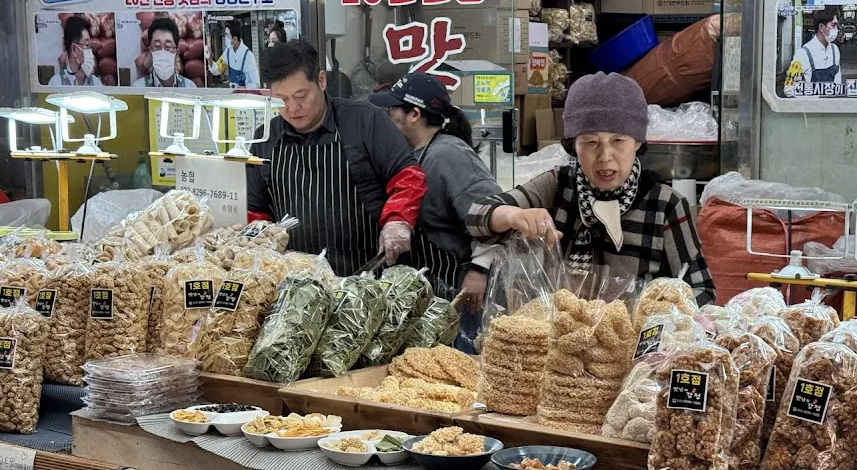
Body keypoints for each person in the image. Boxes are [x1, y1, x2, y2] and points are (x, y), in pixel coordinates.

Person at [466, 72, 715, 305]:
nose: (605, 156)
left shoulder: (664, 205)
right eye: (590, 142)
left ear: (638, 142)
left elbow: (701, 290)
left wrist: (655, 312)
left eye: (618, 140)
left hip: (633, 335)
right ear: (573, 145)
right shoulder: (558, 185)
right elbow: (477, 216)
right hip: (560, 330)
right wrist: (514, 216)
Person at [247, 40, 426, 276]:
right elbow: (256, 211)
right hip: (297, 280)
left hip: (368, 274)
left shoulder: (365, 121)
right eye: (281, 99)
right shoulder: (265, 138)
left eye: (301, 96)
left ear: (321, 80)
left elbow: (408, 177)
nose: (292, 108)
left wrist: (397, 221)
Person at [369, 72, 501, 304]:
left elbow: (494, 211)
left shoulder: (448, 154)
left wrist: (479, 270)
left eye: (393, 109)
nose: (388, 115)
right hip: (428, 283)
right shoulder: (408, 154)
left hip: (459, 283)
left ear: (414, 114)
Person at [132, 17, 196, 88]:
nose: (163, 53)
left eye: (168, 46)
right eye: (157, 46)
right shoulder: (138, 87)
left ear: (176, 54)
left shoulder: (189, 87)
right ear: (150, 52)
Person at [47, 15, 102, 87]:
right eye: (86, 46)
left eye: (90, 46)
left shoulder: (96, 83)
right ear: (74, 49)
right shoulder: (56, 84)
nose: (90, 53)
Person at [794, 7, 841, 86]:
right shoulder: (802, 54)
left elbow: (837, 78)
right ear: (821, 27)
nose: (836, 29)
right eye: (833, 25)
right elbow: (790, 88)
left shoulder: (834, 50)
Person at [207, 19, 260, 88]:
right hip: (233, 93)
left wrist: (241, 88)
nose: (225, 38)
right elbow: (217, 70)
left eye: (227, 35)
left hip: (246, 94)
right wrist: (209, 58)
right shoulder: (228, 52)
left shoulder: (248, 56)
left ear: (235, 39)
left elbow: (256, 84)